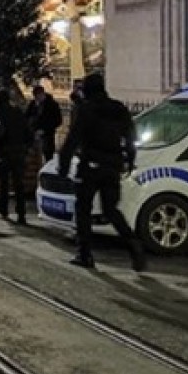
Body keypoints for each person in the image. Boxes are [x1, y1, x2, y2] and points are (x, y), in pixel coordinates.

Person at [57, 72, 146, 271]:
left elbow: (73, 139)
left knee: (83, 210)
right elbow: (131, 137)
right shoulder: (118, 109)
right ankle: (133, 244)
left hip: (90, 165)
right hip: (112, 165)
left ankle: (84, 254)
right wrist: (129, 161)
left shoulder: (87, 110)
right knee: (111, 209)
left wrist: (63, 166)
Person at [0, 87, 33, 224]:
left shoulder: (0, 112)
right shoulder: (17, 112)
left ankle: (3, 208)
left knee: (3, 182)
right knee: (19, 184)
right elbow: (28, 132)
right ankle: (21, 213)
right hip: (19, 152)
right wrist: (26, 148)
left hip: (6, 152)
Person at [26, 84, 63, 161]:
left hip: (47, 135)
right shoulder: (33, 104)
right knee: (35, 158)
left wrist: (45, 130)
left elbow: (58, 120)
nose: (37, 99)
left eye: (38, 96)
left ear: (42, 94)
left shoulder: (52, 105)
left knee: (48, 156)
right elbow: (27, 116)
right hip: (34, 135)